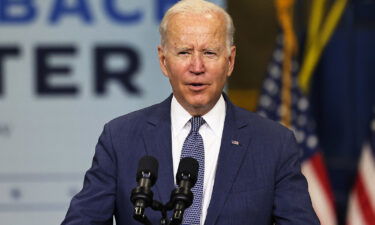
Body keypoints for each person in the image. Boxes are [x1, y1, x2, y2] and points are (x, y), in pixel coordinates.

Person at [61, 0, 320, 224]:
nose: (197, 67)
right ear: (163, 61)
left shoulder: (273, 143)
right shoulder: (120, 138)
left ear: (229, 61)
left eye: (209, 53)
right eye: (184, 52)